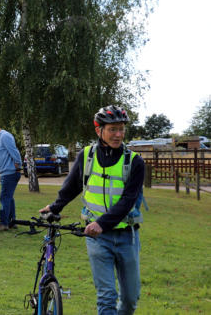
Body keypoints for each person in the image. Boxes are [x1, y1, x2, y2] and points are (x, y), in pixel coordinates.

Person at [39, 105, 145, 315]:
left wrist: (102, 224)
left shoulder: (135, 162)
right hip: (97, 239)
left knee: (130, 299)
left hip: (127, 237)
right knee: (106, 296)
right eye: (113, 129)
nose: (118, 134)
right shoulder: (87, 156)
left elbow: (127, 201)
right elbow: (72, 186)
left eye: (121, 129)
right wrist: (55, 206)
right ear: (99, 131)